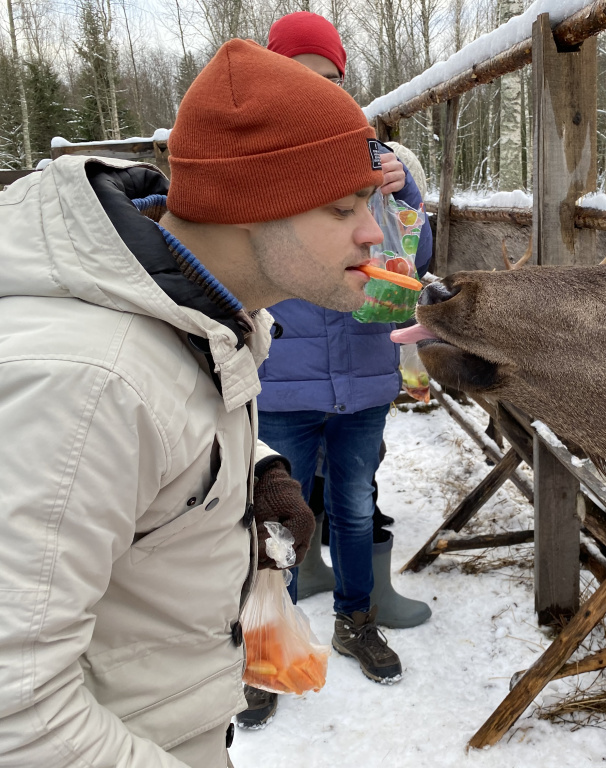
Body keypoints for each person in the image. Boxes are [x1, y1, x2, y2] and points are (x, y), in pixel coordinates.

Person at [0, 38, 383, 767]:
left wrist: (256, 469)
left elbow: (167, 423)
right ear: (246, 204)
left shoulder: (204, 314)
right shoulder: (85, 382)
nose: (372, 233)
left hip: (173, 722)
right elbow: (15, 714)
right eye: (342, 207)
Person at [237, 13, 431, 726]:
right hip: (283, 373)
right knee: (272, 522)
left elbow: (414, 255)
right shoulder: (253, 165)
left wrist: (406, 195)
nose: (315, 92)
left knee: (352, 507)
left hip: (362, 373)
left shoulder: (376, 157)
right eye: (298, 77)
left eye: (328, 81)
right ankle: (267, 652)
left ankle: (356, 619)